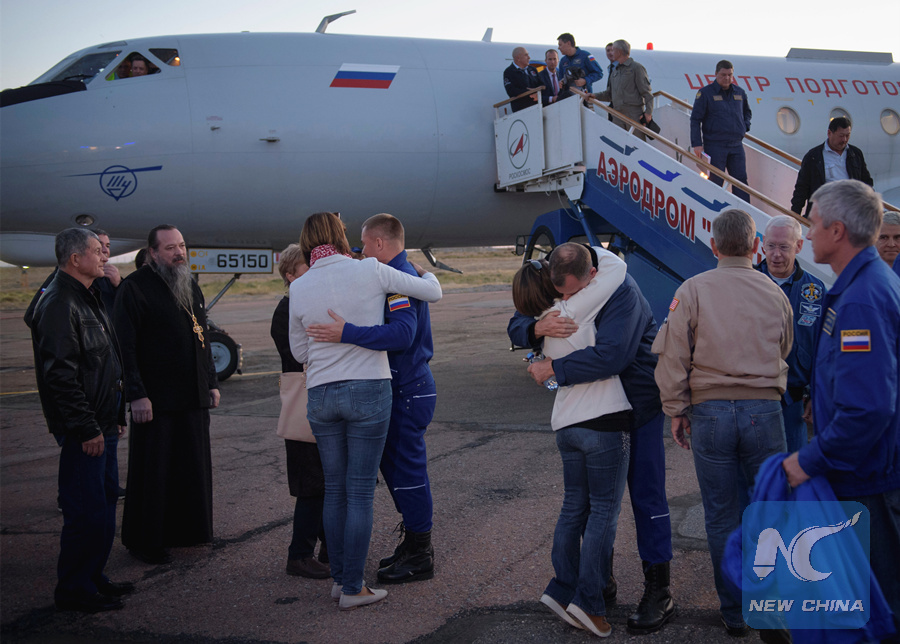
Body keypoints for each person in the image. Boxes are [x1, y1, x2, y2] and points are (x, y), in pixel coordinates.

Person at [508, 246, 677, 635]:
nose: (564, 299)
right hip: (597, 413)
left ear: (591, 275)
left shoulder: (621, 292)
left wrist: (553, 367)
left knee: (645, 496)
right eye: (559, 292)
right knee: (592, 503)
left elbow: (612, 356)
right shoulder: (561, 273)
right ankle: (599, 582)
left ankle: (659, 590)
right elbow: (518, 318)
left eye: (570, 291)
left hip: (637, 404)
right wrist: (536, 328)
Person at [288, 212, 442, 611]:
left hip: (391, 390)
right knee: (363, 489)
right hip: (375, 390)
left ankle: (410, 554)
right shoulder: (376, 274)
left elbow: (403, 333)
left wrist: (345, 334)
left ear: (377, 242)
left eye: (364, 241)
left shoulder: (308, 284)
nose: (359, 247)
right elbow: (433, 292)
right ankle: (368, 573)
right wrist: (428, 276)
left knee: (392, 479)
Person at [652, 208, 792, 637]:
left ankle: (734, 613)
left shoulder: (692, 289)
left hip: (710, 412)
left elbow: (673, 356)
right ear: (756, 247)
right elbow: (785, 346)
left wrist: (676, 409)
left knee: (720, 515)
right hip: (764, 411)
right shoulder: (775, 292)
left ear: (713, 246)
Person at [782, 180, 900, 639]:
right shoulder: (862, 286)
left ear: (837, 231)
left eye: (813, 224)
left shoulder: (861, 300)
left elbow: (867, 409)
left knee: (878, 609)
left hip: (869, 480)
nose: (808, 234)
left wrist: (808, 459)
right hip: (867, 472)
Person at [31, 228, 132, 613]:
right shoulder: (60, 302)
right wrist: (86, 427)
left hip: (103, 422)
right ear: (75, 259)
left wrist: (114, 415)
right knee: (85, 512)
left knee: (102, 507)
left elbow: (106, 360)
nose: (104, 256)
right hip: (85, 430)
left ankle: (93, 576)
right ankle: (74, 588)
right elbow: (61, 376)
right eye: (96, 251)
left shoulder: (87, 295)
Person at [114, 225, 219, 565]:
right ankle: (146, 540)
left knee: (191, 466)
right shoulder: (135, 288)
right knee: (154, 472)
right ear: (153, 253)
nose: (179, 253)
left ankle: (187, 532)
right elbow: (125, 347)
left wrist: (211, 382)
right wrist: (136, 394)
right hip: (155, 400)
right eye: (171, 247)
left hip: (192, 395)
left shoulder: (188, 283)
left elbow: (201, 337)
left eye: (182, 246)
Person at [271, 244, 330, 579]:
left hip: (317, 401)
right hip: (306, 405)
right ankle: (300, 554)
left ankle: (329, 549)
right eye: (307, 268)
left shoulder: (302, 304)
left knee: (324, 481)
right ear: (290, 275)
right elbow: (300, 356)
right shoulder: (287, 310)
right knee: (312, 483)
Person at [756, 215, 827, 453]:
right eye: (771, 246)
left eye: (784, 247)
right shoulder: (748, 283)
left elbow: (822, 348)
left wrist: (816, 395)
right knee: (756, 470)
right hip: (752, 398)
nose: (776, 254)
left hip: (794, 401)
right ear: (762, 244)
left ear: (799, 246)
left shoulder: (815, 290)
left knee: (793, 467)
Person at [24, 227, 121, 329]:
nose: (105, 251)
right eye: (98, 249)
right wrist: (81, 331)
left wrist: (119, 285)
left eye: (107, 246)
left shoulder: (109, 279)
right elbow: (33, 315)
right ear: (76, 257)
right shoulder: (60, 284)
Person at [690, 60, 752, 203]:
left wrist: (744, 127)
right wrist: (697, 144)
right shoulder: (705, 93)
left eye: (730, 75)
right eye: (723, 75)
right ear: (716, 74)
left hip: (736, 145)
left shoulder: (739, 92)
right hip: (715, 145)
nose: (727, 78)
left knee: (741, 181)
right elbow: (695, 120)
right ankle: (712, 209)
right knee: (715, 181)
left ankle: (744, 212)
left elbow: (747, 113)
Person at [790, 117, 873, 217]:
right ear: (829, 133)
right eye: (841, 136)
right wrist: (795, 215)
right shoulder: (813, 157)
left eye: (847, 135)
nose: (844, 140)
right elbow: (802, 188)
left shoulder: (855, 154)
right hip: (824, 212)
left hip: (850, 212)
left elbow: (866, 183)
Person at [591, 39, 653, 141]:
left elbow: (647, 93)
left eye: (613, 50)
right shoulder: (615, 71)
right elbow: (609, 94)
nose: (611, 53)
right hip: (617, 115)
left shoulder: (636, 68)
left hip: (633, 116)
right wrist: (594, 96)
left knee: (636, 144)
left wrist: (648, 113)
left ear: (619, 52)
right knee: (618, 143)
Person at [503, 47, 541, 112]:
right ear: (518, 58)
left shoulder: (532, 69)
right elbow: (511, 91)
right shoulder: (509, 72)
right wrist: (528, 91)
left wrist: (537, 93)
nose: (529, 57)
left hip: (537, 107)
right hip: (521, 110)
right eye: (526, 55)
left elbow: (542, 84)